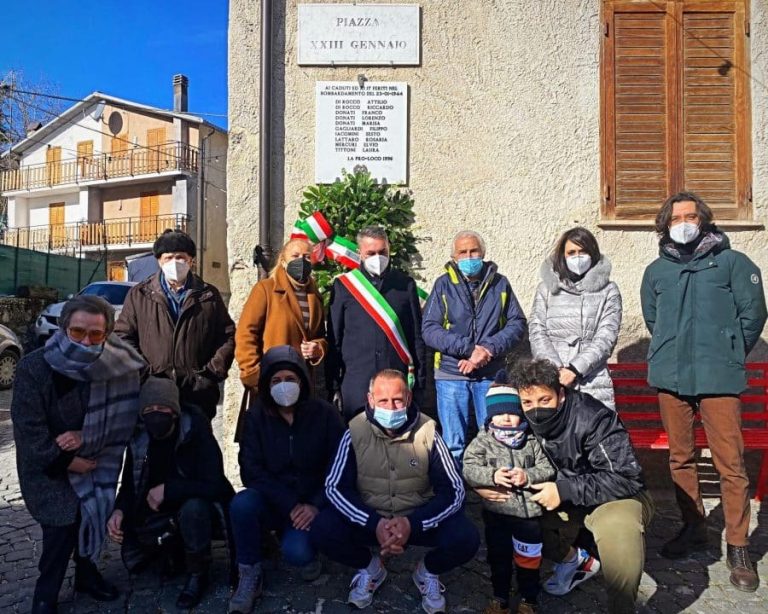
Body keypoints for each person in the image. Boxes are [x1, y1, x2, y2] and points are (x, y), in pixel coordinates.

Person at [641, 192, 767, 591]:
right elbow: (651, 317)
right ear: (665, 225)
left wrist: (729, 349)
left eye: (691, 216)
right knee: (681, 459)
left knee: (731, 463)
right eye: (676, 217)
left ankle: (738, 544)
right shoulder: (657, 271)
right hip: (672, 378)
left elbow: (754, 314)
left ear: (705, 221)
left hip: (719, 378)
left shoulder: (732, 263)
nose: (683, 222)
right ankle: (694, 528)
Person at [12, 296, 145, 614]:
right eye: (78, 332)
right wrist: (69, 461)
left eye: (96, 335)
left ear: (107, 335)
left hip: (98, 461)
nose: (86, 341)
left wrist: (87, 438)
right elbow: (29, 430)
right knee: (60, 530)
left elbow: (124, 418)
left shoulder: (117, 367)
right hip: (49, 466)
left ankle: (87, 574)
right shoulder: (34, 367)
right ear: (63, 328)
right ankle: (46, 593)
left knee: (92, 518)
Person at [311, 369, 479, 614]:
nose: (391, 407)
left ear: (409, 398)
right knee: (322, 529)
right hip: (371, 519)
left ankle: (427, 571)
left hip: (415, 519)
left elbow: (453, 490)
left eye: (397, 400)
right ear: (370, 400)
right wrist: (375, 524)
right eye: (383, 401)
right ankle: (370, 568)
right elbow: (335, 487)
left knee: (466, 537)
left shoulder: (429, 432)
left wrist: (413, 524)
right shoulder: (354, 432)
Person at [498, 359, 653, 614]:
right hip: (560, 495)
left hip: (615, 497)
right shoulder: (519, 421)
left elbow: (627, 476)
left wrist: (564, 490)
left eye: (544, 400)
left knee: (619, 531)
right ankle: (574, 562)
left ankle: (622, 608)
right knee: (511, 515)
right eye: (528, 402)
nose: (536, 409)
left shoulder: (594, 418)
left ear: (560, 394)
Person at [228, 345, 345, 614]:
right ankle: (249, 574)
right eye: (276, 380)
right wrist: (289, 503)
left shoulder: (325, 414)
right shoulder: (256, 416)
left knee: (298, 554)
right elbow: (250, 469)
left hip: (312, 502)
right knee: (242, 504)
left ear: (302, 380)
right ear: (266, 384)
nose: (284, 386)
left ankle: (303, 541)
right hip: (275, 501)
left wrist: (315, 504)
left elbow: (340, 465)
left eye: (290, 379)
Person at [107, 377, 234, 609]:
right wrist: (119, 510)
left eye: (162, 408)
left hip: (195, 507)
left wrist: (170, 490)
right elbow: (129, 484)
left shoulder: (195, 431)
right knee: (151, 560)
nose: (156, 414)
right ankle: (170, 552)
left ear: (174, 411)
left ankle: (198, 574)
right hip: (157, 515)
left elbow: (215, 484)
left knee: (194, 509)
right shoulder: (139, 438)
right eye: (150, 409)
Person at [422, 230, 526, 462]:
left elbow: (517, 323)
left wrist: (488, 349)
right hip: (451, 374)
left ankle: (491, 493)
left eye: (474, 251)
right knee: (453, 443)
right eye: (463, 252)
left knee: (494, 438)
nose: (469, 257)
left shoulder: (501, 284)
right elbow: (429, 329)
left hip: (490, 374)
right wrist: (469, 350)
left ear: (483, 253)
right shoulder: (443, 285)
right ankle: (456, 492)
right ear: (454, 256)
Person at [115, 229, 235, 419]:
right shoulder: (140, 294)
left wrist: (209, 374)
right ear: (159, 261)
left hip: (196, 395)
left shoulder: (208, 295)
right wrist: (145, 375)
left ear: (191, 261)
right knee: (150, 447)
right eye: (168, 257)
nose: (174, 262)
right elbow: (123, 337)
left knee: (195, 446)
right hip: (151, 395)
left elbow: (227, 336)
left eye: (180, 257)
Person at [462, 371, 555, 614]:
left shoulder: (531, 441)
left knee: (529, 561)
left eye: (511, 413)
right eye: (499, 413)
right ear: (490, 415)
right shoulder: (483, 441)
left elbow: (547, 467)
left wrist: (528, 476)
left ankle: (529, 599)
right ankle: (500, 598)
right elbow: (468, 468)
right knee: (499, 558)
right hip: (497, 514)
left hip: (529, 517)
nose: (505, 418)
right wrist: (491, 477)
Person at [327, 226, 426, 421]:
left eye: (383, 252)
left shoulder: (405, 285)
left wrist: (420, 383)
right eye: (371, 253)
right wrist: (334, 387)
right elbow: (334, 340)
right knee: (357, 442)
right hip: (357, 383)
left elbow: (416, 337)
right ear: (360, 253)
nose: (377, 257)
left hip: (396, 385)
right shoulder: (344, 287)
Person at [234, 238, 327, 435]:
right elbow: (245, 334)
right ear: (283, 261)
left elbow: (320, 335)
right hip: (269, 383)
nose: (301, 261)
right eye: (295, 256)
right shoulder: (266, 290)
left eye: (307, 257)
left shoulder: (315, 296)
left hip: (301, 384)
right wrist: (254, 375)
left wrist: (318, 347)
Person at [529, 227, 622, 409]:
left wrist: (575, 369)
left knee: (596, 433)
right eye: (571, 252)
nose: (577, 257)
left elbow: (606, 336)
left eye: (583, 251)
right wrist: (555, 370)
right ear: (562, 255)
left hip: (592, 378)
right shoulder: (546, 289)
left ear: (593, 254)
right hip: (552, 379)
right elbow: (537, 330)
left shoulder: (608, 291)